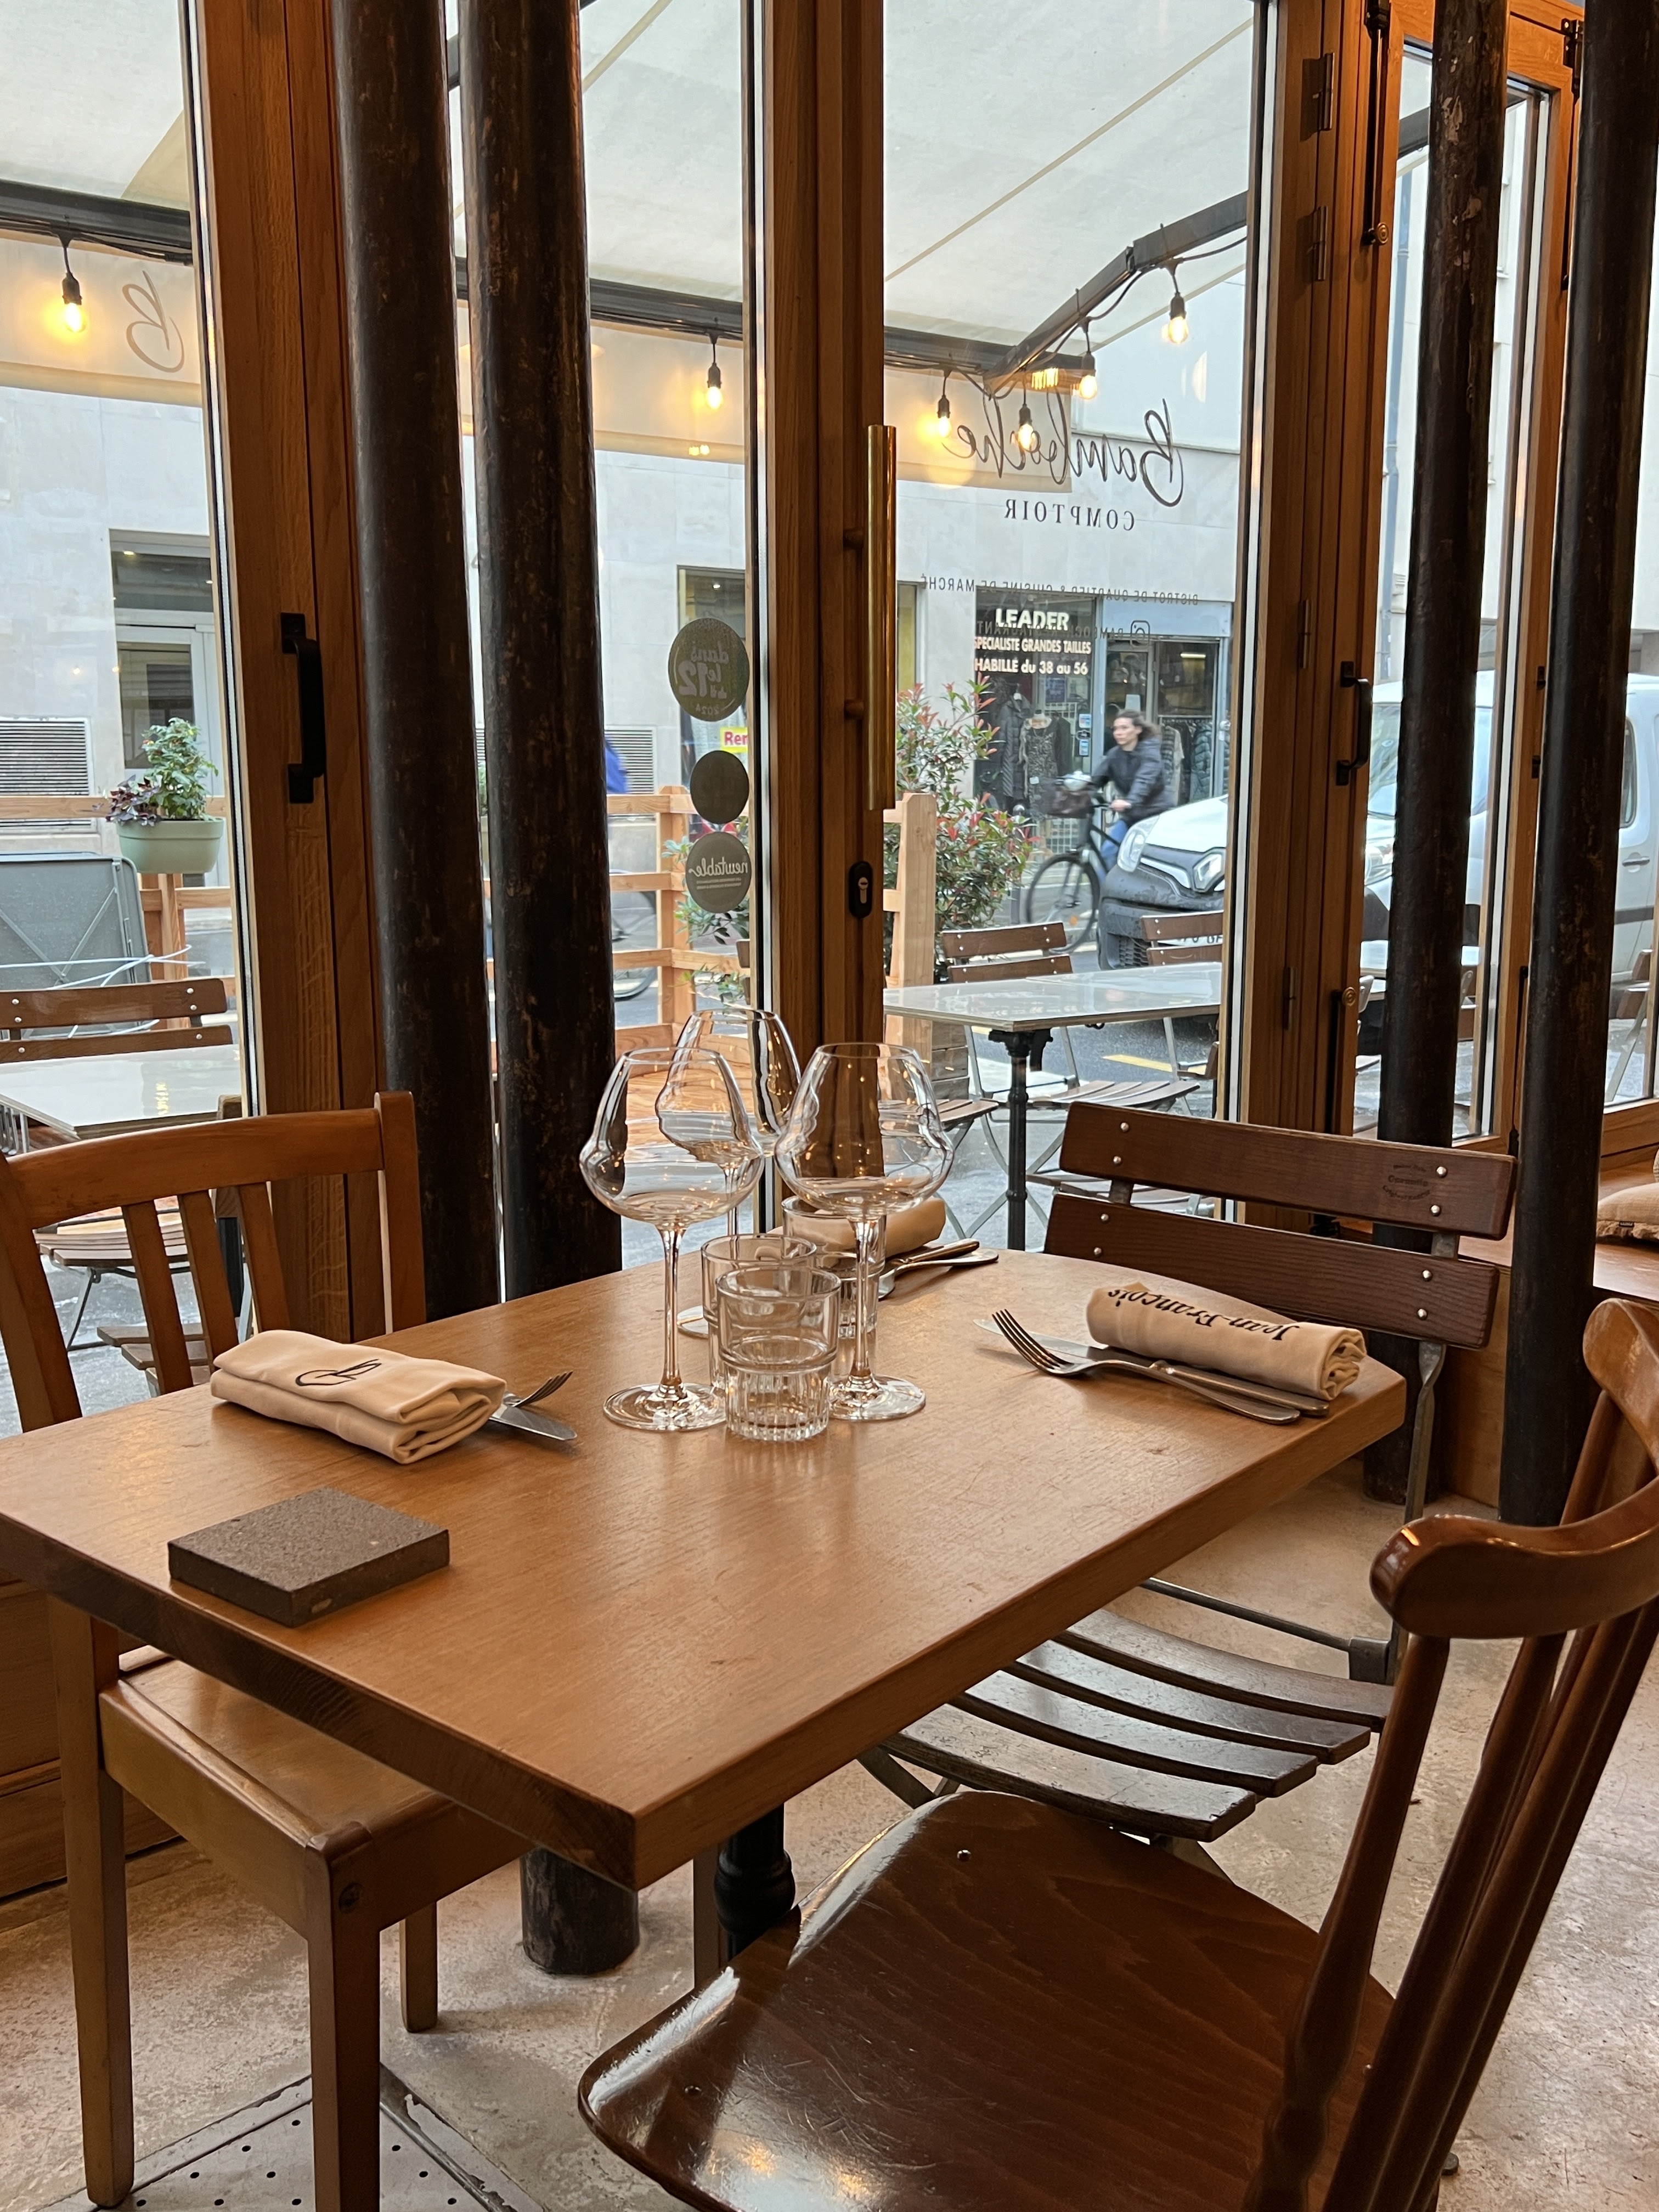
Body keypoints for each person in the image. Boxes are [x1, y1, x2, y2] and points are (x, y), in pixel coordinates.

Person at [1091, 710, 1169, 870]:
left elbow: (1144, 779)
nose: (1118, 733)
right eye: (1116, 729)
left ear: (1138, 730)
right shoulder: (1114, 756)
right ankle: (1103, 887)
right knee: (1109, 851)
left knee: (1148, 861)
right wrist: (1078, 794)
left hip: (1156, 816)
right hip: (1132, 816)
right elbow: (1096, 780)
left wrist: (1130, 801)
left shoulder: (1150, 752)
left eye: (1124, 728)